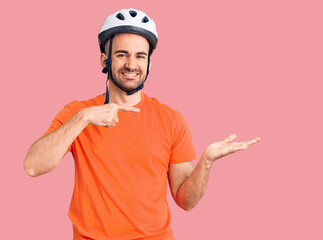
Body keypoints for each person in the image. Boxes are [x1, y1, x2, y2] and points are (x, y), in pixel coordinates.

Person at [24, 8, 260, 240]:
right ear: (104, 60)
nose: (131, 64)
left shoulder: (171, 120)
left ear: (149, 63)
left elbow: (185, 201)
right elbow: (33, 166)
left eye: (140, 56)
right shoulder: (77, 112)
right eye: (121, 54)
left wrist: (206, 162)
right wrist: (83, 118)